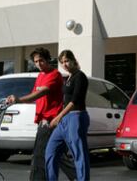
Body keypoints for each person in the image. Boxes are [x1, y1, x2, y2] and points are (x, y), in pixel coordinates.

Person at [6, 47, 76, 181]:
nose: (38, 64)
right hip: (42, 121)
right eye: (36, 62)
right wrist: (14, 100)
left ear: (48, 60)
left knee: (40, 155)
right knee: (55, 153)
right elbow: (33, 95)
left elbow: (41, 92)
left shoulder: (54, 75)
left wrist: (19, 99)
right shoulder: (40, 76)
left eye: (41, 61)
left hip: (50, 121)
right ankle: (78, 176)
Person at [45, 50, 90, 181]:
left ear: (73, 60)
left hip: (76, 117)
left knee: (79, 153)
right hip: (65, 119)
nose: (65, 64)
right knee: (51, 151)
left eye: (67, 61)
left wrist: (58, 117)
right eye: (62, 62)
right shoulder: (68, 77)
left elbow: (74, 100)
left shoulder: (80, 76)